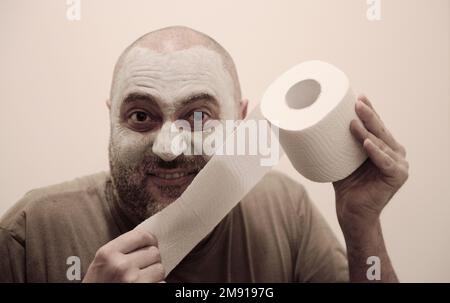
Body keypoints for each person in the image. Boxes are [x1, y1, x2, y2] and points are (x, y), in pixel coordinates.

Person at [0, 26, 409, 283]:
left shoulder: (286, 212)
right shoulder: (30, 234)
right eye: (141, 116)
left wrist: (362, 226)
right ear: (111, 118)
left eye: (198, 116)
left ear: (242, 121)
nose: (168, 149)